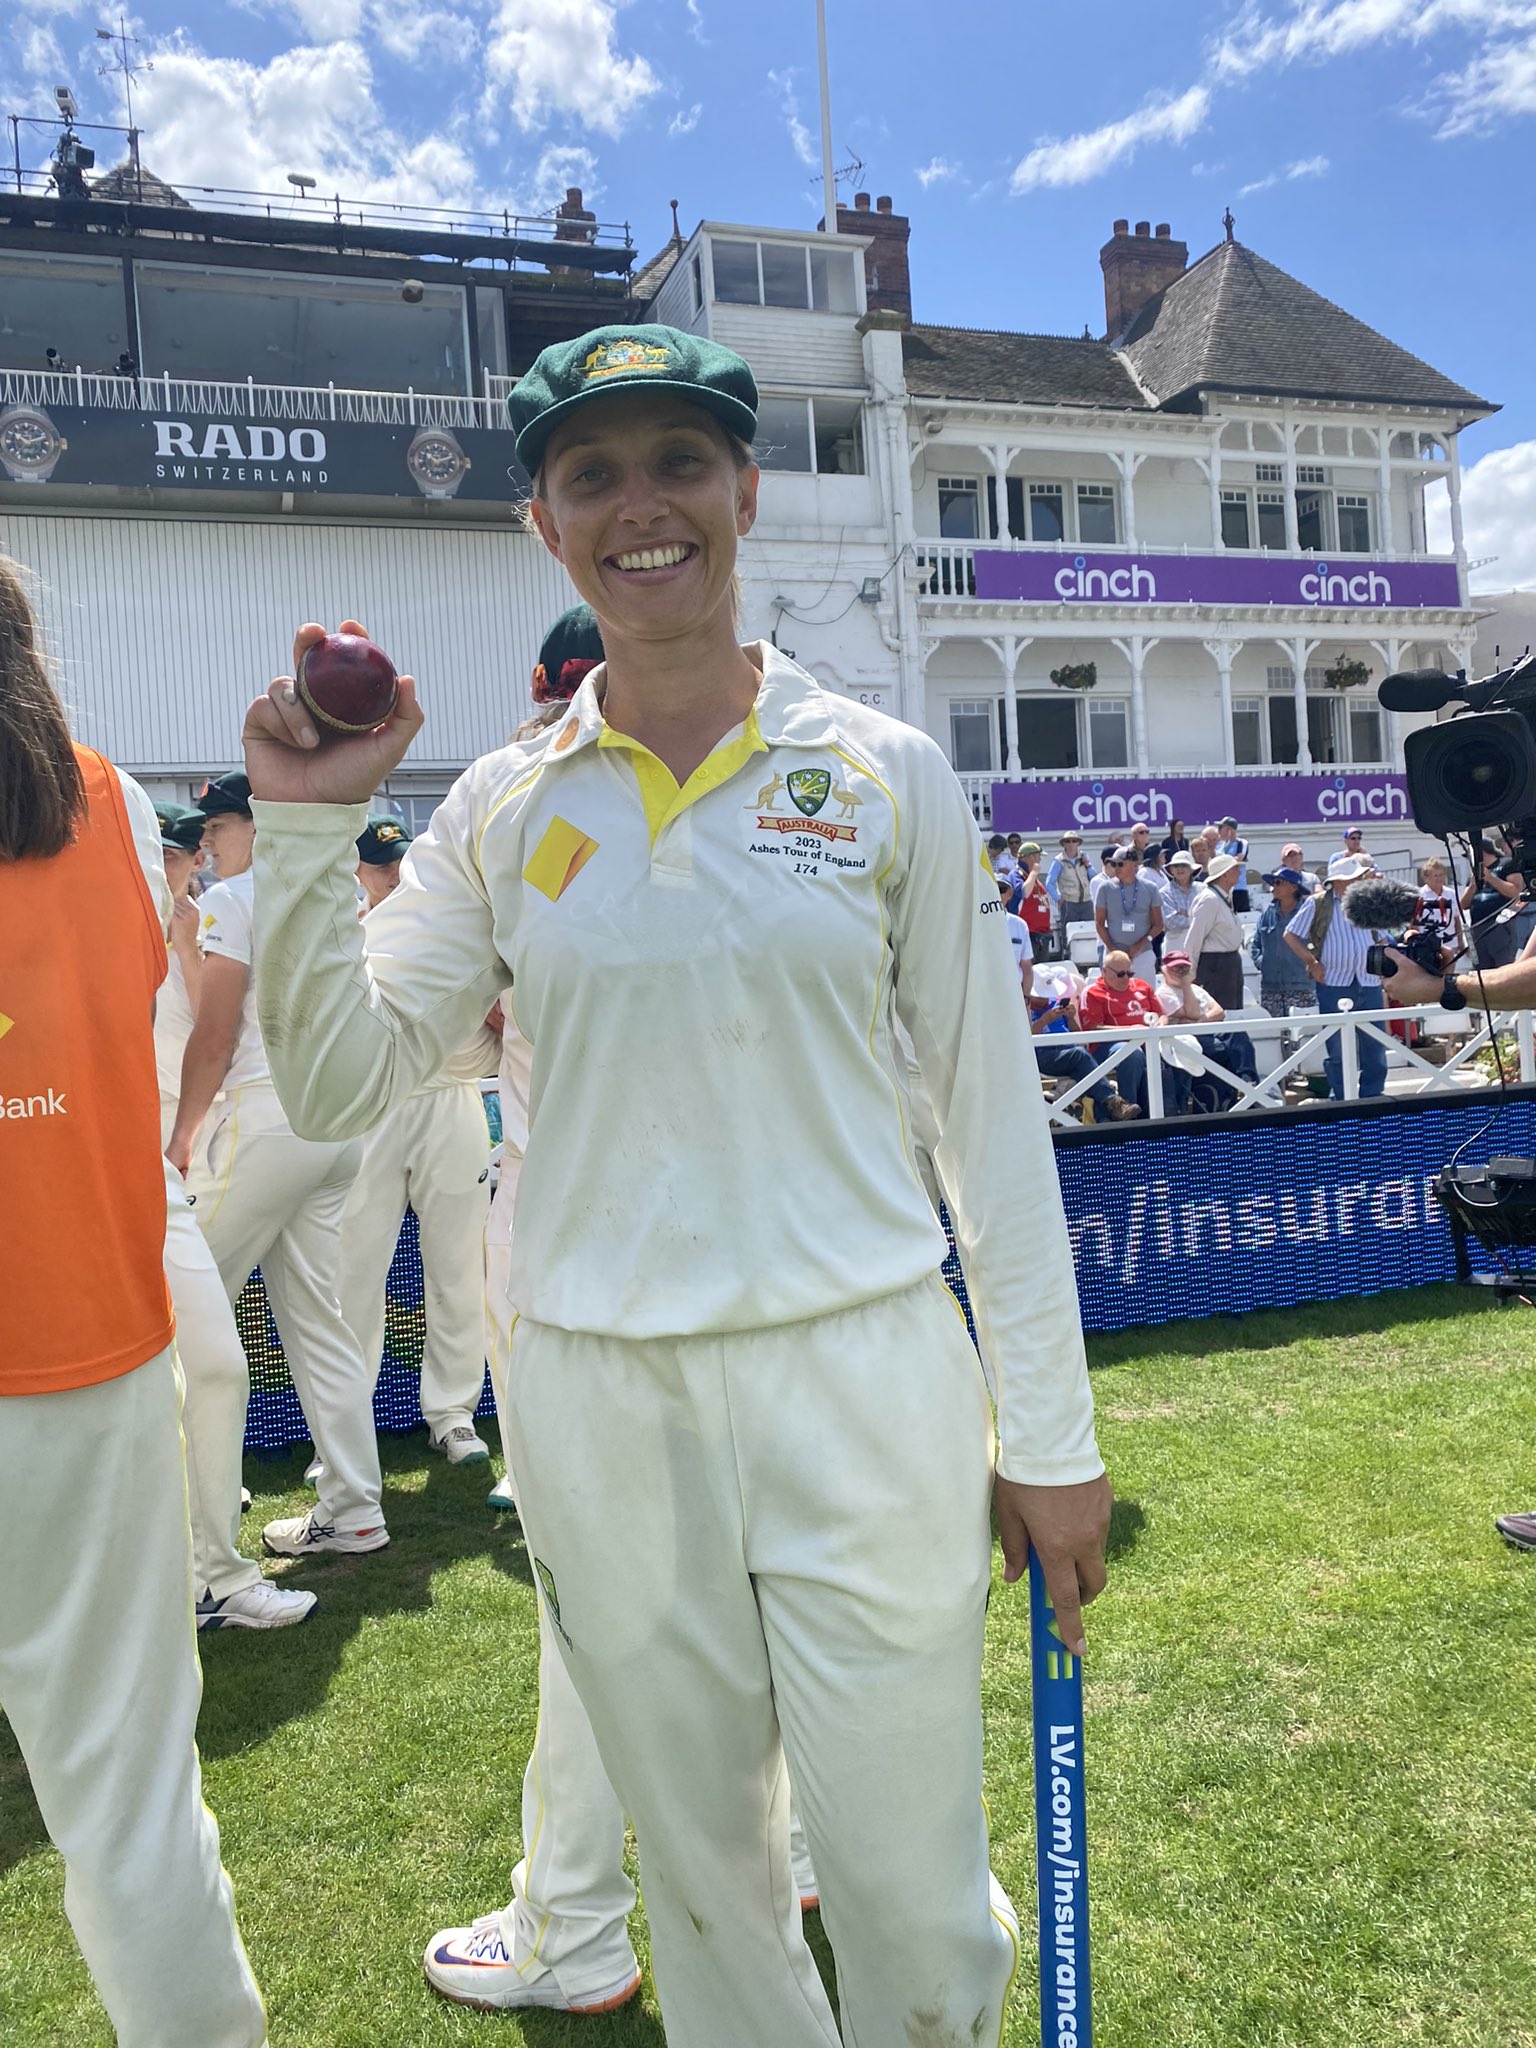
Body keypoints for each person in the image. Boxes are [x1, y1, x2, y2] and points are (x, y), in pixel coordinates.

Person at [238, 322, 1110, 2048]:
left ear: (745, 492)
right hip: (601, 1397)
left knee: (915, 1906)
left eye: (679, 463)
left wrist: (1053, 1436)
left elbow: (988, 1129)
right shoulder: (500, 806)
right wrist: (307, 827)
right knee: (713, 1902)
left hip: (861, 1374)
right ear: (544, 524)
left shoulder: (884, 770)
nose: (642, 506)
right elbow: (337, 1083)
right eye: (594, 476)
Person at [0, 555, 267, 2046]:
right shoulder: (95, 802)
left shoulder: (97, 799)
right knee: (130, 1799)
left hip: (80, 1344)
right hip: (79, 1356)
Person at [167, 772, 389, 1559]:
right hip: (333, 1128)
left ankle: (189, 1537)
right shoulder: (337, 896)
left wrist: (181, 1135)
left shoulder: (235, 900)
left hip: (266, 1122)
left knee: (174, 1319)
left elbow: (216, 1033)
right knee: (320, 1325)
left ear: (255, 827)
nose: (207, 845)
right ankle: (354, 1511)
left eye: (217, 828)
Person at [154, 799, 317, 1631]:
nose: (171, 864)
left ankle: (211, 1573)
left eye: (179, 849)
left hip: (173, 1158)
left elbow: (211, 1027)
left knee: (215, 1363)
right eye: (165, 850)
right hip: (116, 1160)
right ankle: (186, 1568)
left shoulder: (203, 922)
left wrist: (184, 942)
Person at [338, 816, 499, 1465]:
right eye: (380, 866)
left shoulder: (452, 928)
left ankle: (453, 1414)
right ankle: (342, 1427)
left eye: (401, 863)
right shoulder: (343, 930)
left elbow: (498, 1020)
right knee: (354, 1271)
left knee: (459, 1266)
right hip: (373, 1109)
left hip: (451, 1100)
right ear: (356, 871)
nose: (394, 876)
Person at [1283, 853, 1391, 1099]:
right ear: (1339, 882)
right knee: (1338, 1049)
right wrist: (1312, 962)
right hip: (1334, 984)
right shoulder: (1318, 904)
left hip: (1368, 981)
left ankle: (1372, 1097)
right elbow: (1290, 935)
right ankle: (1343, 1098)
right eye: (1354, 878)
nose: (1359, 882)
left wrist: (1385, 968)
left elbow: (1383, 938)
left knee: (1375, 1046)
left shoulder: (1368, 902)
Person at [1022, 958, 1138, 1121]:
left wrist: (1071, 1018)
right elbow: (1024, 1039)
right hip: (1043, 1056)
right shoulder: (1023, 1010)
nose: (1045, 999)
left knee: (1084, 1066)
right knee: (1081, 1056)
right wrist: (1044, 1021)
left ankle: (1105, 1116)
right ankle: (1114, 1102)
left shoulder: (1054, 1004)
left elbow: (1077, 1034)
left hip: (1068, 1054)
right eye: (1041, 995)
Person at [1078, 949, 1163, 1110]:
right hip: (1108, 1047)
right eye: (1120, 974)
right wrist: (1130, 1030)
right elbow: (1092, 1029)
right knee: (1132, 1053)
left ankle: (1179, 1109)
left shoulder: (1142, 986)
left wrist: (1161, 1025)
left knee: (1184, 1047)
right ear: (1104, 971)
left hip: (1149, 1041)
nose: (1126, 978)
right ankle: (1126, 1109)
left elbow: (1161, 1015)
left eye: (1129, 973)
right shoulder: (1093, 992)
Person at [1153, 951, 1225, 1114]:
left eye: (1184, 968)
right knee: (1222, 1048)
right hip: (1185, 1041)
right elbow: (1193, 1012)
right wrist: (1186, 986)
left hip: (1207, 1032)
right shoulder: (1163, 993)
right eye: (1176, 968)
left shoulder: (1197, 989)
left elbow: (1219, 1011)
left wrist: (1198, 1022)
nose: (1181, 972)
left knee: (1237, 1037)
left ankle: (1248, 1080)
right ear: (1164, 969)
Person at [1183, 851, 1247, 1013]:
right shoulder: (1210, 899)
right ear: (1225, 875)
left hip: (1230, 962)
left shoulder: (1223, 897)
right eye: (1235, 869)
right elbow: (1195, 938)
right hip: (1216, 966)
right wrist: (1191, 973)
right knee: (1220, 1012)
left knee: (1234, 1012)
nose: (1239, 873)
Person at [1250, 866, 1318, 1020]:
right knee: (1274, 1031)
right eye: (1273, 883)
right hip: (1271, 988)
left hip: (1301, 986)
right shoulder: (1267, 914)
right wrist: (1263, 963)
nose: (1273, 887)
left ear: (1293, 887)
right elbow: (1256, 944)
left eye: (1278, 882)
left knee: (1304, 1031)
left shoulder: (1307, 913)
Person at [1093, 843, 1164, 981]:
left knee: (1144, 992)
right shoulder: (1105, 888)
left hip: (1143, 953)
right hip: (1114, 955)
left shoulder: (1150, 888)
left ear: (1134, 864)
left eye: (1121, 864)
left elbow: (1158, 925)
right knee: (1113, 993)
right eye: (1114, 864)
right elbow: (1099, 923)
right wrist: (1112, 949)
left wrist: (1139, 946)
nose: (1116, 868)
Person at [1460, 845, 1524, 968]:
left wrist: (1490, 878)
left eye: (1470, 855)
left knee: (1503, 965)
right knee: (1480, 967)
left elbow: (1515, 892)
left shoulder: (1507, 864)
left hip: (1499, 926)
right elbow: (1464, 905)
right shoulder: (1474, 873)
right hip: (1477, 928)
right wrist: (1472, 886)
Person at [1047, 829, 1095, 946]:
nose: (1071, 844)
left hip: (1087, 902)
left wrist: (1088, 864)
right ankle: (1068, 953)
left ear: (1078, 843)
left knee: (1089, 932)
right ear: (1063, 844)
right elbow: (1049, 883)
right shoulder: (1059, 861)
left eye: (1074, 841)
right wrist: (1059, 899)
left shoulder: (1084, 858)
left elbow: (1094, 877)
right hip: (1069, 903)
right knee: (1069, 935)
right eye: (1068, 841)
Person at [1416, 856, 1466, 958]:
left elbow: (1456, 920)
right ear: (1426, 878)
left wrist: (1460, 942)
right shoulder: (1419, 895)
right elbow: (1414, 923)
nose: (1439, 878)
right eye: (1436, 875)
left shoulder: (1451, 893)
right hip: (1427, 945)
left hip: (1451, 944)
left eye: (1441, 875)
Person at [1015, 839, 1053, 960]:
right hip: (1028, 935)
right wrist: (1034, 873)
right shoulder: (1017, 875)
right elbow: (1024, 892)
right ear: (1029, 857)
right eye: (1037, 856)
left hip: (1041, 936)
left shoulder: (1033, 878)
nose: (1039, 860)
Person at [1159, 847, 1201, 953]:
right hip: (1175, 945)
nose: (1179, 869)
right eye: (1176, 866)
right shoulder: (1164, 892)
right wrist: (1196, 918)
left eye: (1184, 865)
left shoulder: (1202, 888)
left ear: (1192, 869)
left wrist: (1184, 914)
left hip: (1200, 944)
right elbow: (1171, 921)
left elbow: (1209, 917)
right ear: (1171, 870)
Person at [1214, 816, 1250, 912]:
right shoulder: (1219, 845)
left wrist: (1223, 861)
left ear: (1229, 829)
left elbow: (1239, 858)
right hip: (1222, 888)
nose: (1218, 830)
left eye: (1221, 827)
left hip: (1238, 888)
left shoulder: (1241, 843)